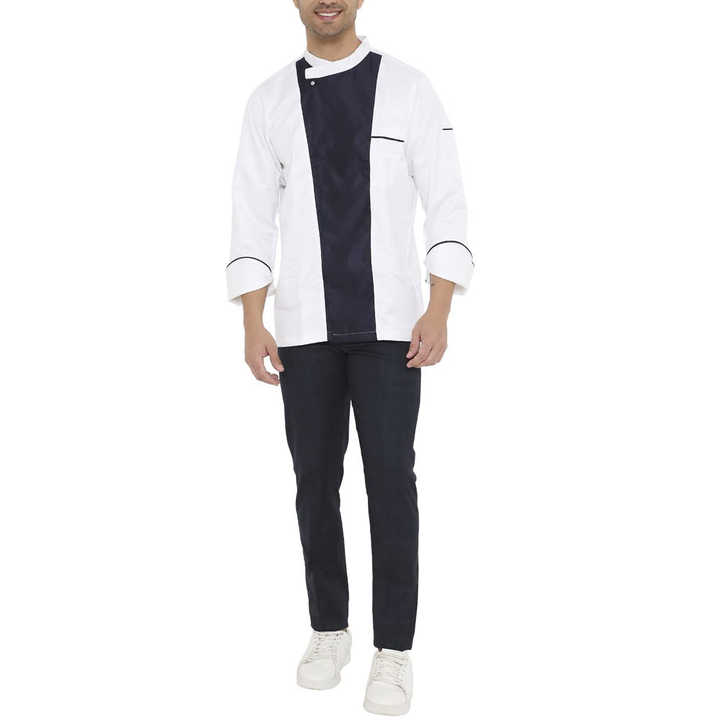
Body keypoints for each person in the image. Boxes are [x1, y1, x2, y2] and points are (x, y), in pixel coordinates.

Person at [226, 1, 473, 714]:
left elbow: (447, 202)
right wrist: (252, 319)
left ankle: (393, 649)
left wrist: (439, 306)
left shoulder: (409, 88)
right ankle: (328, 629)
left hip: (393, 324)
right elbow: (251, 215)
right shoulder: (268, 101)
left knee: (391, 481)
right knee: (313, 482)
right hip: (303, 326)